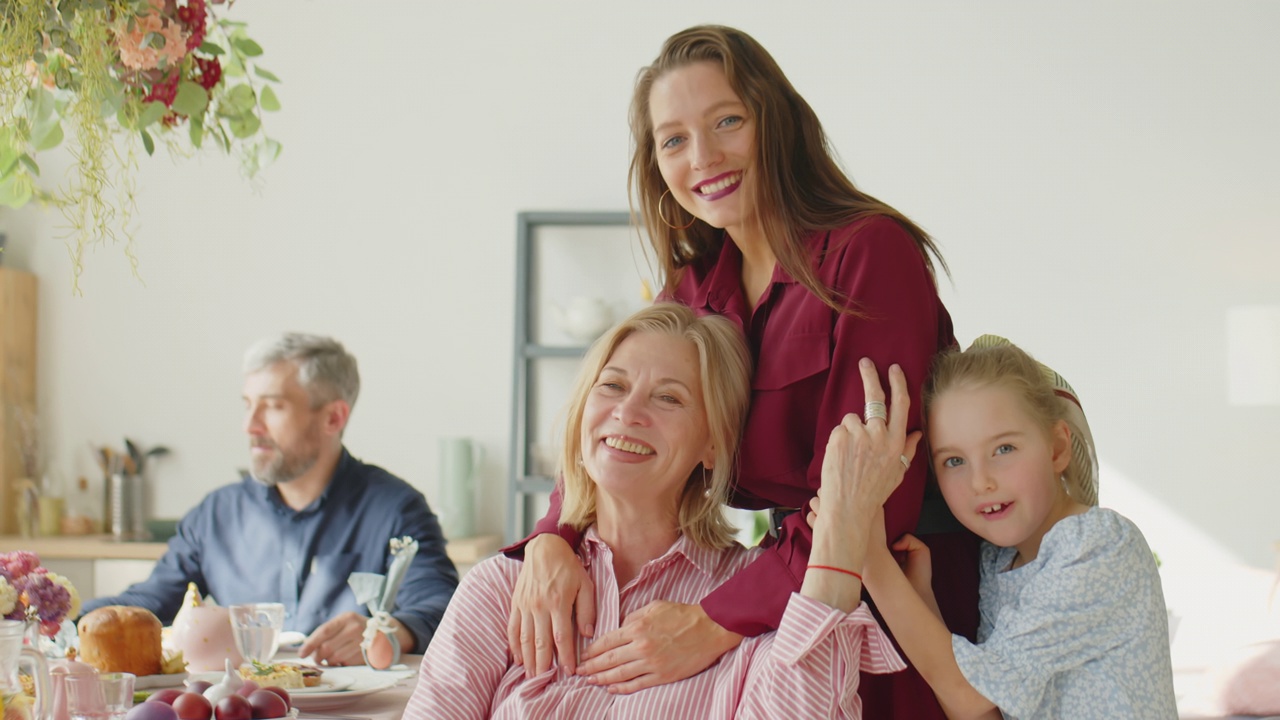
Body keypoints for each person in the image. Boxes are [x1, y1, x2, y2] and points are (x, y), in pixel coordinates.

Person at [508, 24, 978, 717]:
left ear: (776, 123)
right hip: (776, 591)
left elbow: (871, 491)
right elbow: (610, 417)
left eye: (727, 121)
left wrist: (715, 621)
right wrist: (554, 535)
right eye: (673, 139)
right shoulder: (690, 290)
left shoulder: (870, 253)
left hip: (902, 592)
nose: (703, 156)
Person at [406, 303, 912, 719]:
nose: (628, 412)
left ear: (712, 446)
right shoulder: (502, 588)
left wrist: (845, 521)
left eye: (669, 398)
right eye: (612, 386)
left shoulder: (757, 605)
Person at [843, 336, 1176, 718]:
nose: (980, 481)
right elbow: (979, 707)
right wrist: (922, 597)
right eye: (954, 461)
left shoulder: (1098, 546)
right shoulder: (998, 562)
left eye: (1004, 449)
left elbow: (970, 694)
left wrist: (869, 559)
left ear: (1056, 448)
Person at [80, 333, 459, 665]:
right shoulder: (216, 514)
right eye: (248, 404)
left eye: (273, 406)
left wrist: (388, 631)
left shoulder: (396, 509)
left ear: (333, 418)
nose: (250, 426)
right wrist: (49, 613)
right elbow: (148, 603)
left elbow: (443, 608)